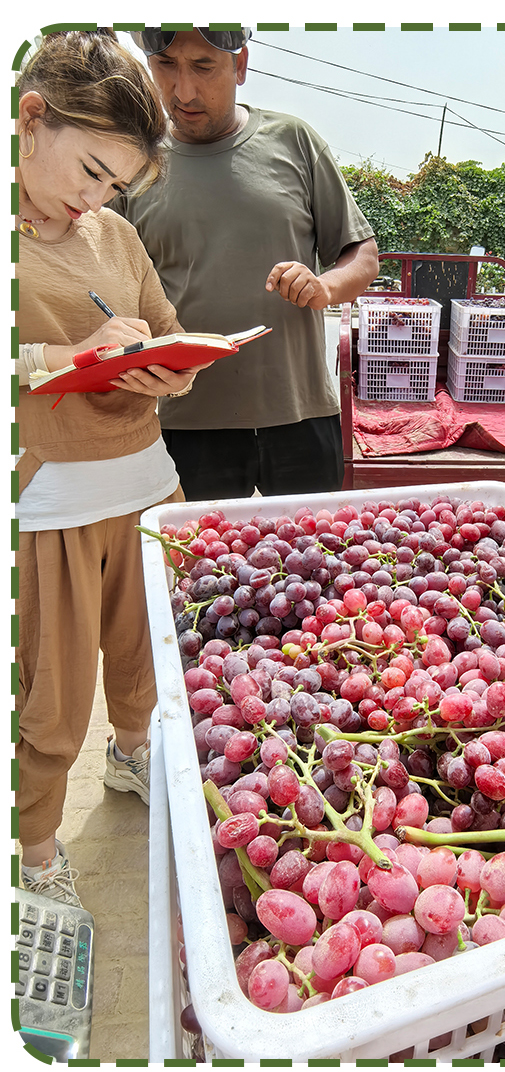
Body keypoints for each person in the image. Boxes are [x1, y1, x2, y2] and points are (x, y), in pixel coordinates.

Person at [15, 29, 207, 906]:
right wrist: (71, 355)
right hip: (54, 499)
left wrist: (173, 369)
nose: (95, 198)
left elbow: (166, 328)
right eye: (91, 170)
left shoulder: (116, 236)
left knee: (148, 657)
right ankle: (36, 852)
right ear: (31, 118)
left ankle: (132, 758)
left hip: (147, 483)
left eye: (115, 185)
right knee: (52, 696)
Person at [117, 27, 380, 501]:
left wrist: (325, 287)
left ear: (239, 65)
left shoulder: (295, 141)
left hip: (301, 416)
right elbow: (108, 289)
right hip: (188, 425)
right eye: (166, 66)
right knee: (198, 551)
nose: (184, 91)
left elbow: (362, 253)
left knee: (318, 548)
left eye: (203, 66)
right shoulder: (130, 165)